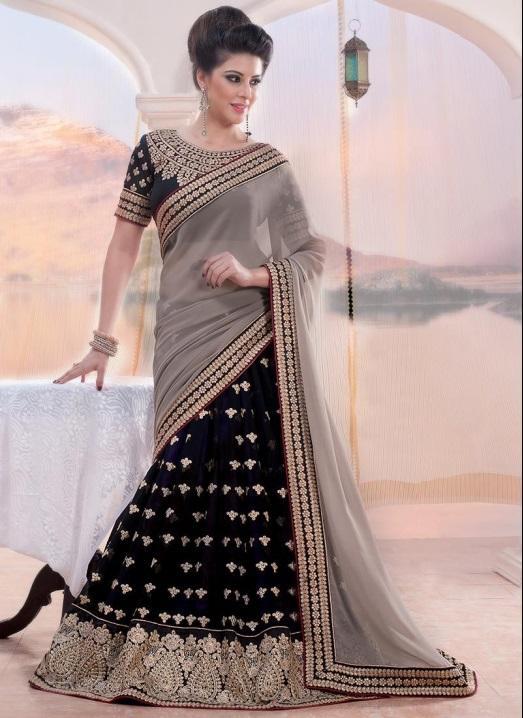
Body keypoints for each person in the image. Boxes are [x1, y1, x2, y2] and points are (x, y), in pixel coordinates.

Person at [28, 5, 477, 709]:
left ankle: (255, 644)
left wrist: (254, 274)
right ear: (201, 76)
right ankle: (146, 645)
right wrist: (101, 343)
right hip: (185, 342)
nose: (245, 93)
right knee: (176, 487)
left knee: (246, 497)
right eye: (233, 77)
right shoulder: (155, 153)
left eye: (255, 80)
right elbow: (122, 247)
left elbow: (309, 254)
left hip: (252, 345)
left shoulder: (268, 164)